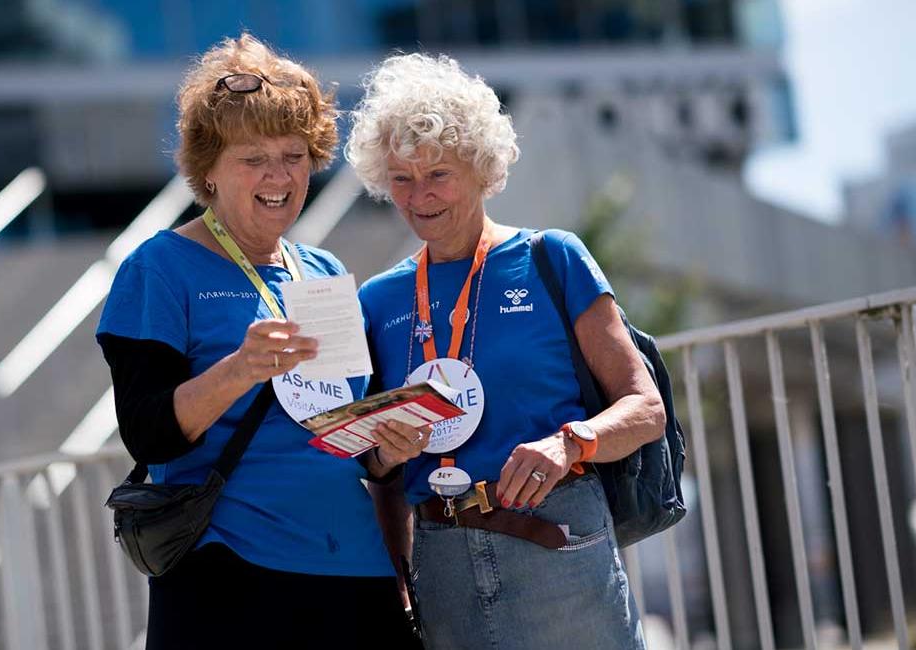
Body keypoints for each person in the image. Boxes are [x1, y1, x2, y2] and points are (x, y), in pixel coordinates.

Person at [95, 35, 425, 649]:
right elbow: (146, 432)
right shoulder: (160, 268)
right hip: (230, 577)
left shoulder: (323, 270)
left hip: (355, 571)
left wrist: (390, 445)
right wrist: (239, 369)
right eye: (254, 158)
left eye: (294, 155)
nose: (279, 176)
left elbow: (354, 444)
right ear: (209, 171)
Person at [347, 52, 667, 649]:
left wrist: (568, 443)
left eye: (437, 173)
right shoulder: (376, 300)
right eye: (400, 178)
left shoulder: (553, 258)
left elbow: (645, 409)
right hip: (439, 563)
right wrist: (397, 559)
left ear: (480, 165)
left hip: (556, 539)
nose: (419, 197)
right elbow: (381, 476)